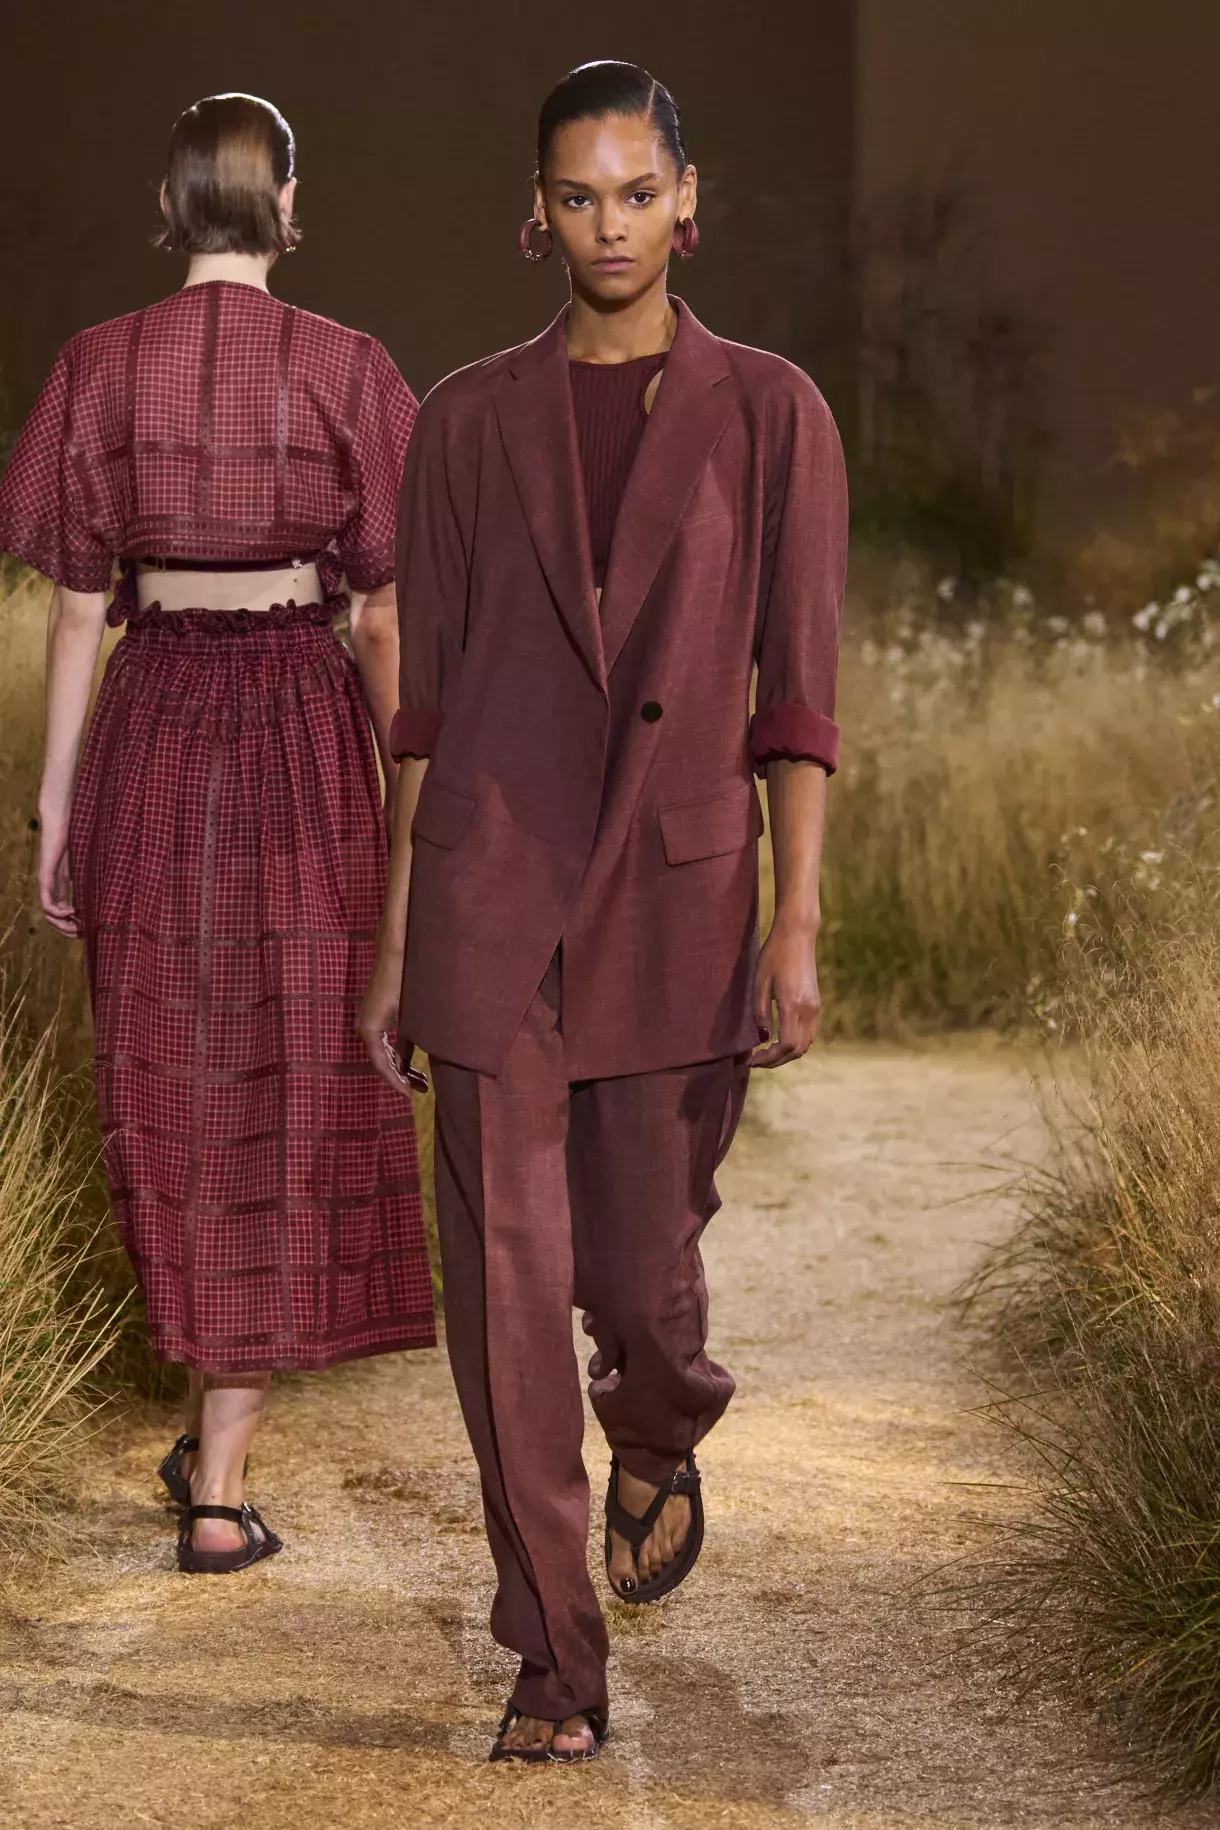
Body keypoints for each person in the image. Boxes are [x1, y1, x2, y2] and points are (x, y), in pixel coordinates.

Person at [360, 59, 847, 1759]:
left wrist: (797, 921)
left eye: (639, 193)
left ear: (687, 202)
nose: (611, 225)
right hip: (490, 894)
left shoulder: (773, 413)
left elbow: (798, 694)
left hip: (676, 896)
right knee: (506, 1295)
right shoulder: (462, 420)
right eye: (580, 197)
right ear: (539, 213)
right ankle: (554, 1659)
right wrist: (393, 943)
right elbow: (423, 706)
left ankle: (659, 1423)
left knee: (642, 1273)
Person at [0, 92, 435, 1575]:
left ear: (170, 205)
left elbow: (73, 615)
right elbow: (381, 616)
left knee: (172, 1080)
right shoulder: (350, 368)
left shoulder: (94, 366)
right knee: (289, 1081)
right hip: (302, 733)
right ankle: (218, 1479)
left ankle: (213, 1443)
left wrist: (58, 802)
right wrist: (404, 797)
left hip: (149, 731)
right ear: (289, 203)